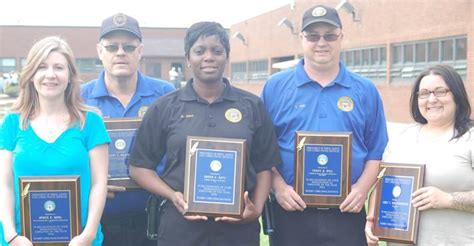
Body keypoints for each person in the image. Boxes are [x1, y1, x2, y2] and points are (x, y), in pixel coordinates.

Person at [128, 21, 281, 246]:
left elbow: (264, 164)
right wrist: (173, 196)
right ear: (188, 58)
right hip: (180, 227)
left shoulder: (251, 106)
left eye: (217, 51)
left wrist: (256, 208)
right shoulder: (165, 107)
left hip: (237, 230)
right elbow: (139, 166)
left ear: (226, 57)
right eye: (199, 51)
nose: (208, 57)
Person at [261, 5, 388, 246]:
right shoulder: (275, 87)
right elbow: (262, 148)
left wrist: (361, 190)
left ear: (341, 37)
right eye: (313, 36)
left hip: (347, 212)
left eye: (330, 35)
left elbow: (376, 150)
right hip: (291, 211)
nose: (322, 42)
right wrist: (278, 187)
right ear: (302, 39)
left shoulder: (365, 90)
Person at [0, 36, 109, 245]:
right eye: (42, 67)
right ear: (31, 75)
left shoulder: (91, 122)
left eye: (58, 67)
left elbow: (99, 183)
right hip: (19, 241)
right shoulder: (12, 123)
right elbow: (4, 184)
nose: (50, 75)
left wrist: (88, 235)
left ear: (70, 76)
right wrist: (11, 235)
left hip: (80, 240)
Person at [81, 13, 174, 246]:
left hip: (155, 217)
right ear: (100, 51)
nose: (120, 52)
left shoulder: (165, 94)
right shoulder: (79, 98)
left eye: (129, 47)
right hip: (99, 221)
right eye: (112, 47)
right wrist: (92, 181)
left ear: (140, 51)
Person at [365, 64, 474, 245]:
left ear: (456, 95)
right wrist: (371, 220)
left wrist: (448, 199)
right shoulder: (402, 138)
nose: (431, 99)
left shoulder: (470, 138)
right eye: (424, 93)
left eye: (440, 91)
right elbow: (382, 184)